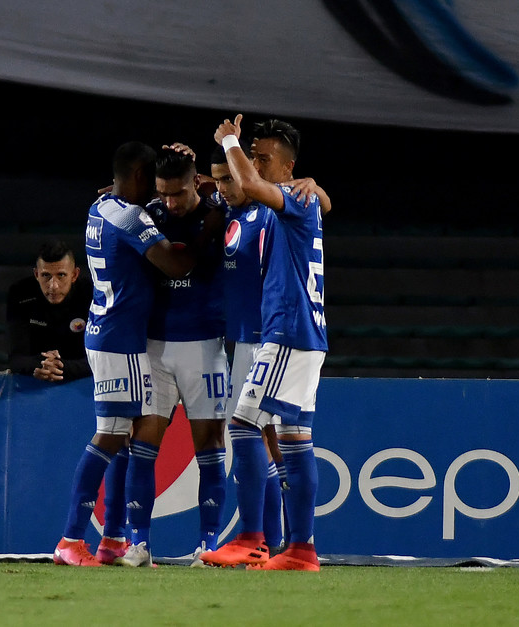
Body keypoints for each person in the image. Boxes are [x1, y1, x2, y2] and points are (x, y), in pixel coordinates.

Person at [53, 140, 195, 567]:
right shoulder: (129, 217)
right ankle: (70, 540)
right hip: (119, 338)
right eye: (151, 181)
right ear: (138, 177)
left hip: (110, 331)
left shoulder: (101, 208)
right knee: (111, 435)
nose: (156, 189)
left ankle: (112, 538)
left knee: (126, 436)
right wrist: (204, 236)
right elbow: (174, 264)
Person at [211, 115, 328, 572]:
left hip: (287, 330)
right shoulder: (304, 198)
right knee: (294, 437)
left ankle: (252, 538)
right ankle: (301, 549)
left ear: (288, 167)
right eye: (254, 156)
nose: (255, 165)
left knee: (243, 425)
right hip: (304, 334)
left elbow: (251, 186)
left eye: (264, 159)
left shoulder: (293, 199)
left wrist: (231, 142)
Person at [142, 147, 230, 567]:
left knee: (210, 446)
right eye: (162, 192)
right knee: (142, 445)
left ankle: (208, 544)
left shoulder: (220, 210)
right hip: (154, 346)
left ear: (196, 182)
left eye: (177, 193)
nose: (170, 202)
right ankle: (138, 542)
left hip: (204, 343)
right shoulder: (149, 212)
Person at [5, 240, 92, 382]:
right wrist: (40, 365)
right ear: (36, 274)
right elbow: (16, 358)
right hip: (34, 385)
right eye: (46, 275)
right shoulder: (20, 294)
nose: (53, 286)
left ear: (74, 275)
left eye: (61, 275)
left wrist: (63, 367)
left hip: (82, 384)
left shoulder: (90, 294)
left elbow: (102, 357)